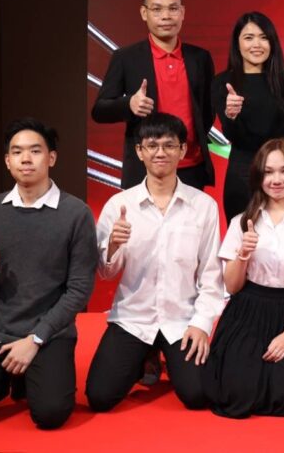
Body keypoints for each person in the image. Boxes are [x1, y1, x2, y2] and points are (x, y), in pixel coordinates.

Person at [0, 119, 97, 430]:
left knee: (51, 414)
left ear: (51, 158)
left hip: (49, 331)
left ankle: (28, 373)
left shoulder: (76, 213)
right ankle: (5, 378)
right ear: (7, 160)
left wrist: (36, 338)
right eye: (17, 152)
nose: (26, 159)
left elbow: (80, 290)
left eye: (35, 151)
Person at [85, 113, 224, 412]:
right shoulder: (119, 205)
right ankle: (145, 355)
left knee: (198, 395)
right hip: (133, 319)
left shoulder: (203, 206)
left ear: (182, 150)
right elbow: (105, 273)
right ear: (139, 151)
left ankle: (166, 356)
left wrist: (201, 324)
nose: (160, 153)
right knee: (100, 397)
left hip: (181, 320)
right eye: (152, 145)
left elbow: (212, 275)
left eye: (169, 145)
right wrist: (113, 246)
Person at [202, 138, 284, 418]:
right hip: (248, 310)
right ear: (258, 176)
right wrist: (243, 254)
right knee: (237, 392)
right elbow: (232, 286)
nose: (277, 180)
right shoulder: (241, 221)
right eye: (269, 172)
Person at [91, 0, 215, 190]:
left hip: (191, 168)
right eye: (157, 9)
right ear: (144, 13)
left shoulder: (200, 58)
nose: (166, 16)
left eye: (173, 9)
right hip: (144, 170)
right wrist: (129, 104)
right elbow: (99, 110)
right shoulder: (126, 58)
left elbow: (207, 111)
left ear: (182, 12)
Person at [211, 12, 284, 223]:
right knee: (244, 237)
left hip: (280, 177)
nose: (256, 44)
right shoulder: (223, 82)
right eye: (249, 38)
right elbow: (232, 135)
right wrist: (231, 115)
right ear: (237, 43)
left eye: (263, 37)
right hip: (242, 176)